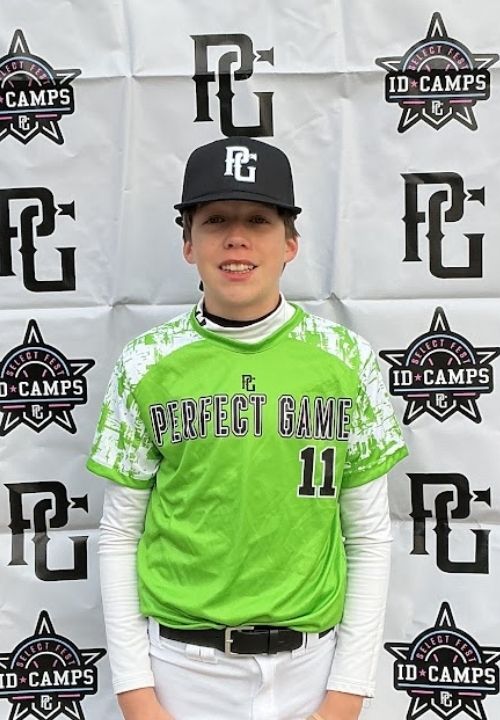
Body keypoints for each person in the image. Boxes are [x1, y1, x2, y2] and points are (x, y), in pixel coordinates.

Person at [87, 136, 408, 720]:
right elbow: (118, 535)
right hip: (182, 671)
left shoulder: (347, 360)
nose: (236, 238)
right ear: (188, 243)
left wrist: (347, 693)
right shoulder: (145, 362)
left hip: (311, 668)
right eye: (216, 220)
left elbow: (367, 535)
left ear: (290, 243)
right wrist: (135, 693)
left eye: (258, 220)